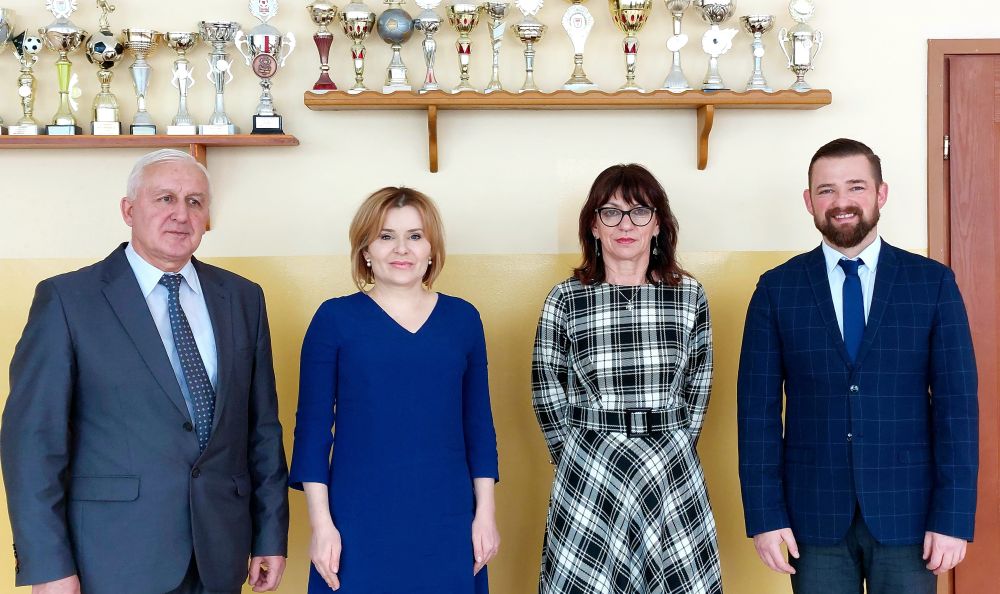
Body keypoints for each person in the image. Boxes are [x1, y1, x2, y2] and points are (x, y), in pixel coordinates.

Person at [0, 149, 289, 594]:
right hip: (112, 558)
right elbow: (33, 443)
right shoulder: (67, 300)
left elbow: (262, 430)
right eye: (165, 198)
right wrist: (47, 566)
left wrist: (270, 535)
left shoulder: (243, 298)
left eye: (195, 201)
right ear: (128, 210)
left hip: (220, 555)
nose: (181, 214)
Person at [737, 138, 979, 594]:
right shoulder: (776, 290)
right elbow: (757, 415)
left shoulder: (932, 284)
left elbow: (957, 410)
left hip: (910, 516)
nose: (841, 202)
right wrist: (765, 516)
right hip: (813, 517)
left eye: (856, 187)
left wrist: (953, 516)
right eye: (826, 190)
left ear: (880, 193)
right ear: (809, 201)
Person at [288, 187, 500, 593]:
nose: (402, 248)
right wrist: (321, 524)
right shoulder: (334, 319)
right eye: (386, 236)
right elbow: (312, 432)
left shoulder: (463, 319)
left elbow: (479, 426)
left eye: (415, 236)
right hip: (355, 521)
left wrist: (485, 515)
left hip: (449, 517)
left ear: (431, 250)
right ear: (365, 249)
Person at [532, 164, 723, 594]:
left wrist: (675, 444)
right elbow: (546, 385)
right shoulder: (566, 298)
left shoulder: (689, 295)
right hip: (590, 467)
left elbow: (699, 381)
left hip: (670, 468)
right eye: (611, 212)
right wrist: (574, 455)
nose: (625, 224)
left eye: (639, 211)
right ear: (593, 226)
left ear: (657, 225)